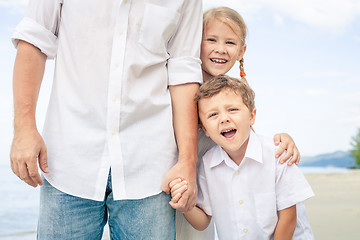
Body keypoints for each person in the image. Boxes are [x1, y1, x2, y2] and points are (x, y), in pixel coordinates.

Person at [10, 1, 203, 239]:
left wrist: (188, 160)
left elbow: (184, 70)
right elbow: (34, 39)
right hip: (69, 160)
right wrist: (24, 128)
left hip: (150, 166)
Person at [173, 6, 301, 240]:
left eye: (230, 43)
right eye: (211, 39)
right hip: (183, 181)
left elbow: (248, 140)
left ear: (241, 51)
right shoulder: (180, 84)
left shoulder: (233, 92)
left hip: (212, 186)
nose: (220, 49)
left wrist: (283, 139)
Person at [170, 75, 314, 240]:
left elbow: (288, 219)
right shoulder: (208, 163)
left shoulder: (277, 155)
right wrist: (185, 205)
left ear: (252, 116)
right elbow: (203, 221)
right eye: (213, 115)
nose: (224, 118)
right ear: (205, 130)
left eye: (232, 109)